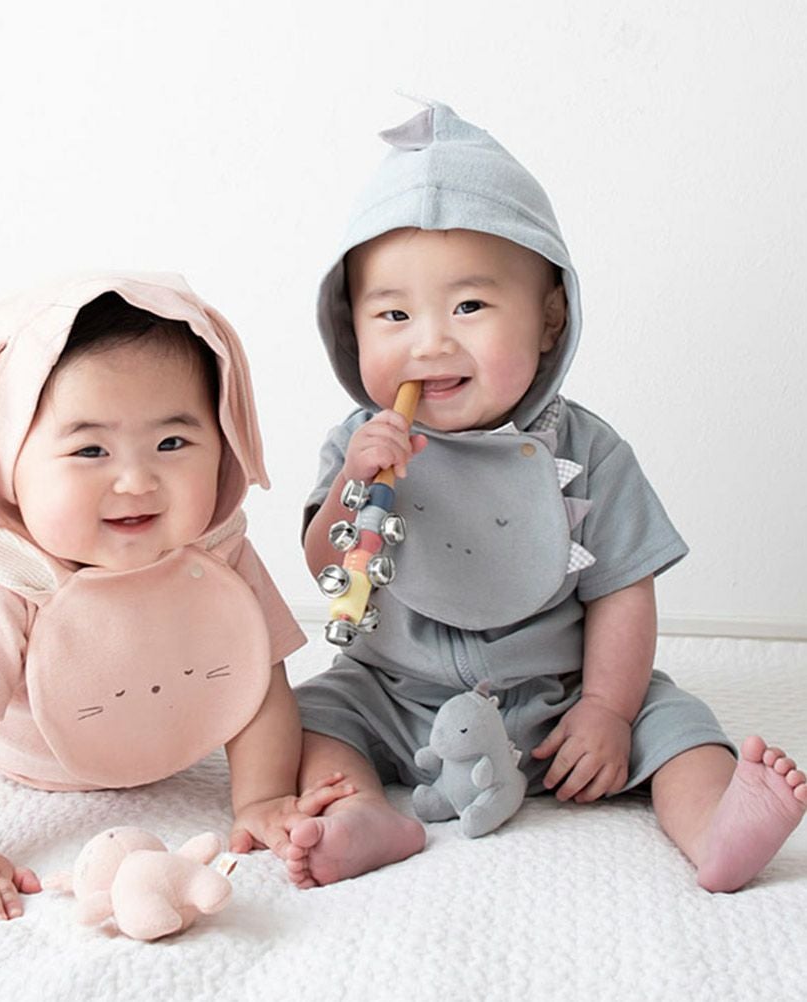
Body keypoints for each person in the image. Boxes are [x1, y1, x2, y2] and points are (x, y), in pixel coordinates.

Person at [286, 100, 806, 891]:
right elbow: (326, 566)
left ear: (549, 319)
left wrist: (607, 710)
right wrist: (354, 484)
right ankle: (361, 811)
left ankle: (714, 824)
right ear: (351, 330)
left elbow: (623, 591)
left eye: (469, 306)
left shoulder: (586, 449)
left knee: (677, 723)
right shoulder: (361, 445)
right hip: (395, 695)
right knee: (312, 718)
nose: (430, 340)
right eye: (393, 314)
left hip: (557, 699)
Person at [0, 273, 345, 920]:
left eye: (172, 443)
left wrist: (262, 799)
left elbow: (260, 679)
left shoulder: (220, 556)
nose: (135, 481)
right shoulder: (4, 583)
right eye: (90, 449)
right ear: (9, 462)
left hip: (132, 729)